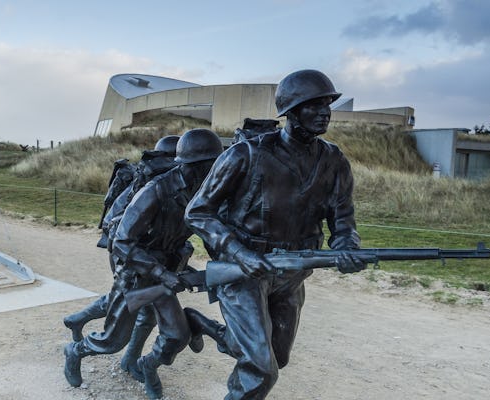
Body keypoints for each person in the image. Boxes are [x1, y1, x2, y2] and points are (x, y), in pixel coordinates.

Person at [184, 69, 366, 399]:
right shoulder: (246, 155)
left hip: (294, 272)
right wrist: (239, 254)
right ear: (290, 111)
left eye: (327, 104)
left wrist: (347, 247)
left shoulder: (334, 160)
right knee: (260, 371)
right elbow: (197, 212)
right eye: (314, 105)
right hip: (245, 271)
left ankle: (202, 325)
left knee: (276, 356)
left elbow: (343, 220)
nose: (325, 111)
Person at [64, 129, 224, 399]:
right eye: (212, 164)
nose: (217, 169)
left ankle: (147, 366)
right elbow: (123, 243)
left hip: (165, 274)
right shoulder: (156, 191)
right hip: (137, 274)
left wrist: (224, 263)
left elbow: (210, 232)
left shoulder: (202, 193)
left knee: (176, 335)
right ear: (194, 165)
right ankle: (75, 351)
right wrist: (160, 272)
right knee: (112, 341)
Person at [63, 135, 180, 380]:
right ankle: (82, 343)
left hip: (154, 259)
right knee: (128, 304)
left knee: (143, 308)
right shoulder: (148, 184)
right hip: (131, 256)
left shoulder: (178, 187)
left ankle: (128, 358)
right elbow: (115, 225)